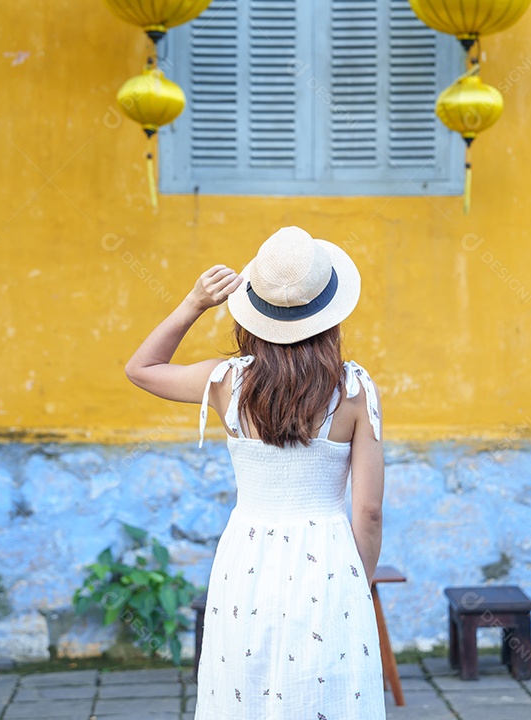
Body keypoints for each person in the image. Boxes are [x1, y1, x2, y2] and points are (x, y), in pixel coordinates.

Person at [125, 226, 385, 718]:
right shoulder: (355, 390)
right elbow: (368, 511)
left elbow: (142, 368)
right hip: (327, 558)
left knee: (244, 688)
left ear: (253, 310)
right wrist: (357, 578)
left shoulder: (226, 381)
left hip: (246, 557)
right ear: (329, 312)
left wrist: (193, 304)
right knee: (324, 691)